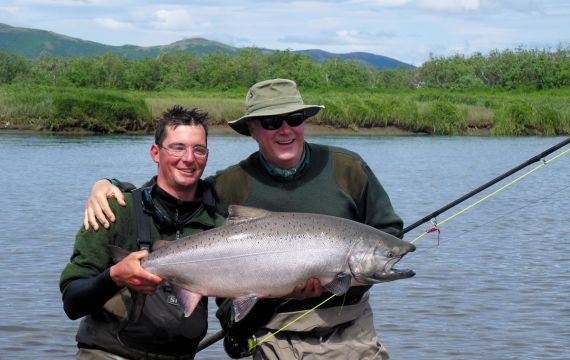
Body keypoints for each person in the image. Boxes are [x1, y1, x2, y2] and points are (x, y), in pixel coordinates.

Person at [83, 79, 404, 359]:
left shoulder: (347, 168)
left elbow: (388, 231)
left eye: (293, 119)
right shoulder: (230, 184)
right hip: (274, 337)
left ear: (304, 122)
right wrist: (110, 185)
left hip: (353, 334)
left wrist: (352, 280)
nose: (285, 130)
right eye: (271, 122)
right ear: (252, 129)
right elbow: (173, 187)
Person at [60, 106, 226, 359]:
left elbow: (231, 309)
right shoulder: (113, 210)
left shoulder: (218, 225)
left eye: (198, 149)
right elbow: (72, 302)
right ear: (155, 153)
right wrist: (114, 277)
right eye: (177, 147)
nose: (189, 158)